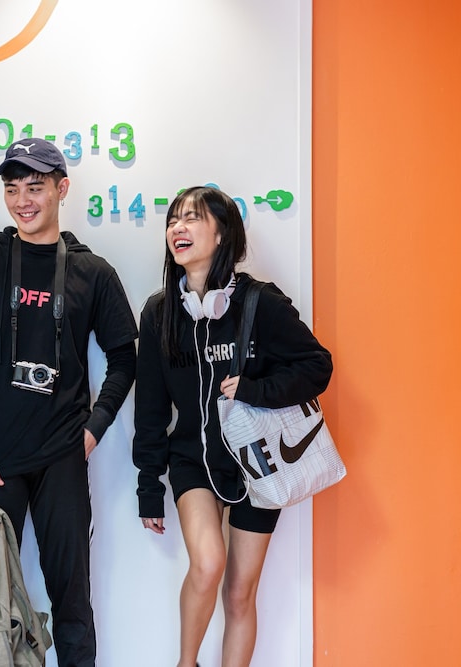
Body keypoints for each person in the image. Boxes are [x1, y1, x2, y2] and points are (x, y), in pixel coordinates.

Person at [0, 138, 138, 666]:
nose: (22, 200)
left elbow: (125, 358)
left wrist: (93, 429)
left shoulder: (93, 272)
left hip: (62, 457)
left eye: (35, 187)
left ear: (62, 189)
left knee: (73, 600)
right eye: (12, 188)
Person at [132, 186, 332, 667]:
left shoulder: (260, 303)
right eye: (173, 219)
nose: (178, 228)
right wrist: (148, 486)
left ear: (222, 234)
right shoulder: (159, 313)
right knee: (208, 564)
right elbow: (151, 408)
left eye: (192, 218)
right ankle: (187, 663)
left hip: (260, 463)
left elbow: (317, 366)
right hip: (193, 461)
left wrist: (255, 390)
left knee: (241, 591)